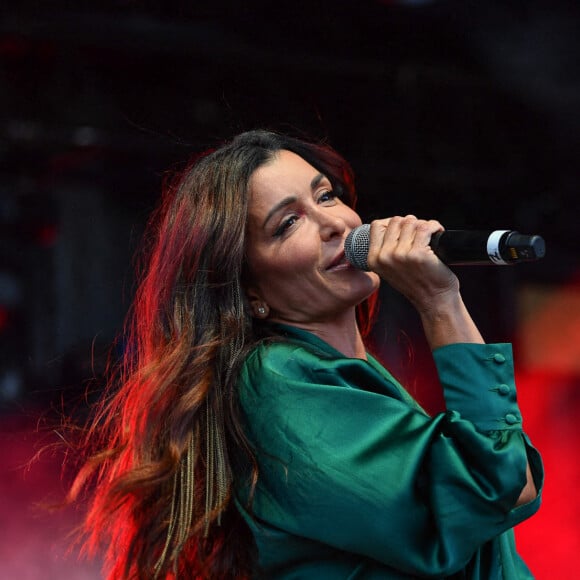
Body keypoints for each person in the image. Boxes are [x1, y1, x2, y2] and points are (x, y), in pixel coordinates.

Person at [70, 129, 543, 579]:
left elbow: (504, 499)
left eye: (326, 196)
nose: (335, 224)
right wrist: (440, 303)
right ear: (248, 286)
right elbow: (493, 485)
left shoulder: (345, 377)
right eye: (289, 222)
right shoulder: (273, 380)